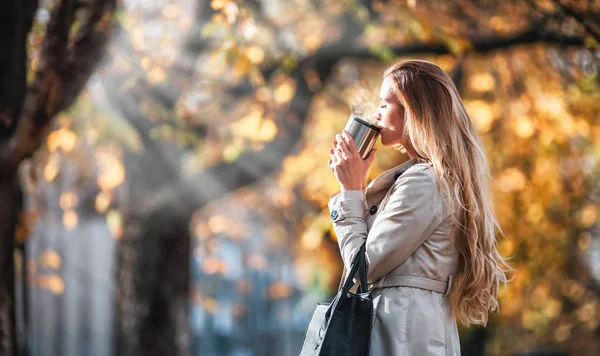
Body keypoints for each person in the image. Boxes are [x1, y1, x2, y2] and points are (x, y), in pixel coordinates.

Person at [327, 59, 508, 355]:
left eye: (385, 104)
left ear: (412, 110)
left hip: (404, 333)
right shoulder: (424, 178)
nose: (377, 113)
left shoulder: (425, 182)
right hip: (407, 327)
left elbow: (363, 269)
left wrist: (350, 191)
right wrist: (356, 188)